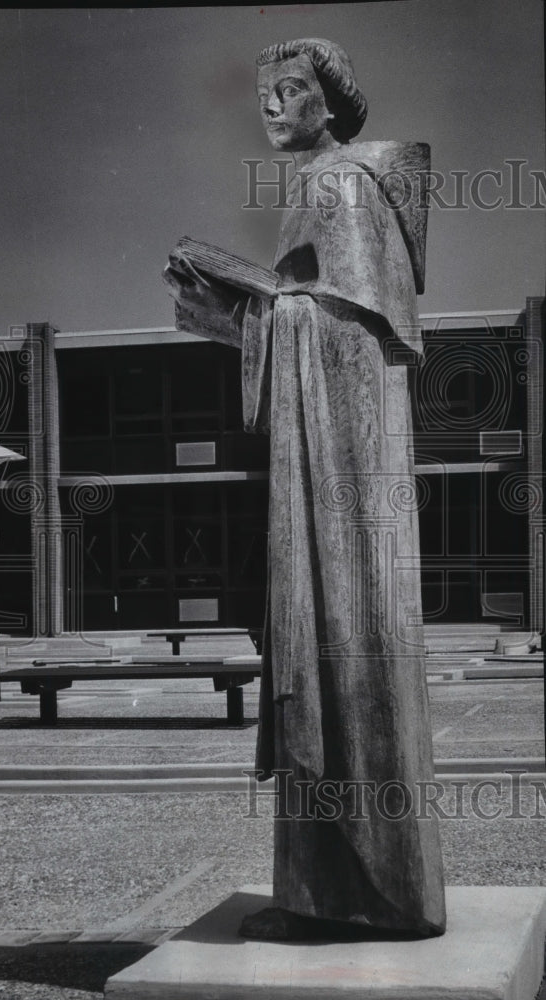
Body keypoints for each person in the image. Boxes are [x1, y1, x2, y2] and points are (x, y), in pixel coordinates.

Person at [164, 37, 446, 940]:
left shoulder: (342, 183)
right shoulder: (315, 187)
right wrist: (245, 314)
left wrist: (236, 308)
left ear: (332, 101)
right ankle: (336, 892)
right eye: (265, 95)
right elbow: (322, 315)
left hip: (343, 476)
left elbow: (358, 337)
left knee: (341, 651)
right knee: (330, 654)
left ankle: (360, 894)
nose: (274, 106)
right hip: (330, 461)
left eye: (292, 90)